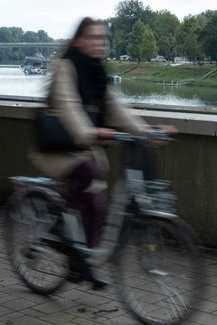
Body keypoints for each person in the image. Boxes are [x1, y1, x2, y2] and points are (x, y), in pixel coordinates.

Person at [30, 18, 173, 288]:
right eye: (94, 38)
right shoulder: (66, 67)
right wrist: (90, 133)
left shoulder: (97, 72)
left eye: (104, 39)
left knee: (98, 207)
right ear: (79, 41)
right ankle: (59, 227)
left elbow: (118, 108)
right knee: (90, 179)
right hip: (59, 149)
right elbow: (69, 105)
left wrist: (147, 132)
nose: (100, 43)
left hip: (84, 150)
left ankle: (85, 261)